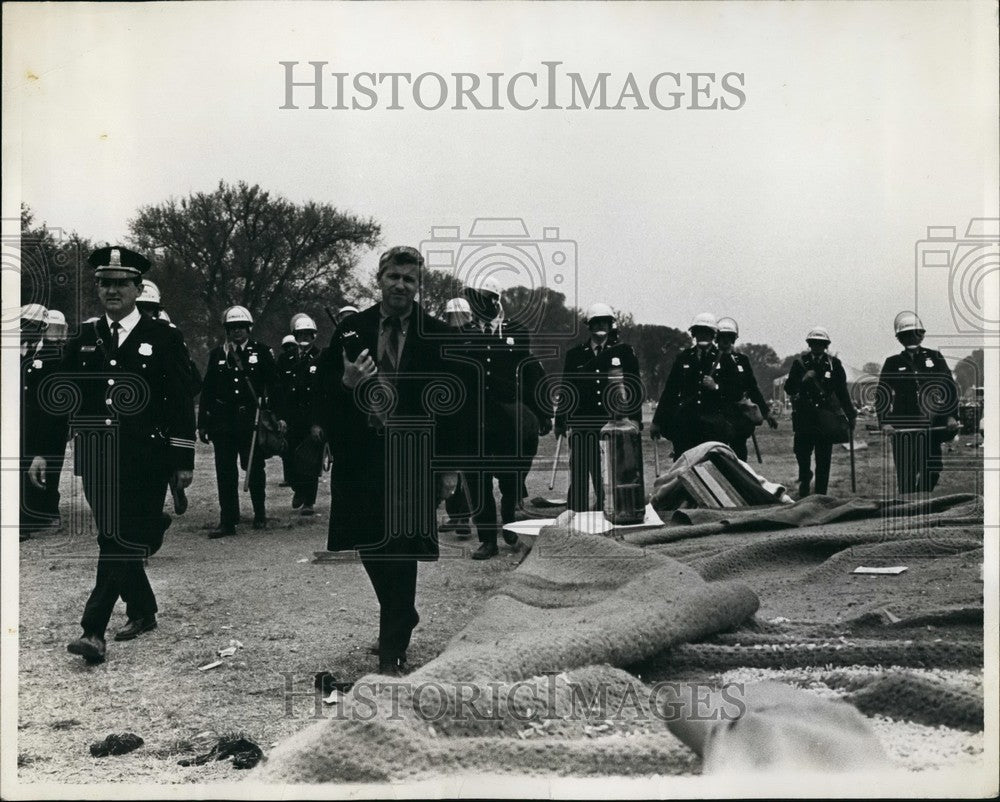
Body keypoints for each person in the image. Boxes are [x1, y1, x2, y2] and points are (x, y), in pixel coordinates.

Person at [28, 246, 195, 663]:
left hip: (146, 458)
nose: (112, 290)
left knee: (118, 539)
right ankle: (143, 608)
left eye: (122, 283)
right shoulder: (85, 338)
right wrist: (41, 453)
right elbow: (58, 395)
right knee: (113, 537)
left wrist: (182, 459)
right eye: (105, 283)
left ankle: (92, 630)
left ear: (138, 288)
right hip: (97, 456)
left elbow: (178, 401)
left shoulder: (163, 337)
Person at [310, 245, 467, 675]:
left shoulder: (438, 334)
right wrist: (345, 381)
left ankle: (392, 651)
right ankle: (402, 613)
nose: (401, 285)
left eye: (410, 279)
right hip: (361, 458)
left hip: (414, 458)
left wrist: (450, 466)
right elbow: (319, 394)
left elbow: (456, 407)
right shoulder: (351, 329)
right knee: (371, 546)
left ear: (419, 286)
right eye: (393, 277)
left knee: (402, 550)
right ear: (379, 279)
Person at [456, 276, 553, 559]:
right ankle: (487, 538)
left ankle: (509, 520)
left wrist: (540, 411)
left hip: (508, 416)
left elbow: (529, 372)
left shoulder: (516, 332)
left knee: (511, 478)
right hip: (476, 417)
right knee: (477, 479)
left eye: (482, 299)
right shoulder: (465, 334)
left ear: (495, 301)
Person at [197, 305, 284, 537]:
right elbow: (208, 389)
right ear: (227, 330)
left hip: (250, 421)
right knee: (225, 471)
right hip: (222, 421)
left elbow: (275, 384)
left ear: (249, 328)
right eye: (232, 328)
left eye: (241, 328)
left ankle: (260, 513)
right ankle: (228, 520)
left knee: (254, 468)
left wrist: (273, 411)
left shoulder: (262, 351)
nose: (237, 332)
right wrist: (202, 423)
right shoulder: (218, 354)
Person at [554, 303, 643, 512]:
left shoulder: (624, 353)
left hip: (611, 421)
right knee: (579, 473)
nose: (600, 326)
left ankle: (608, 512)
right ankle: (576, 515)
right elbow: (567, 388)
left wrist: (636, 418)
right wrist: (560, 421)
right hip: (582, 421)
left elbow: (634, 386)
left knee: (607, 472)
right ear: (589, 326)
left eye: (604, 321)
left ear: (611, 325)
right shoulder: (575, 355)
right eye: (595, 322)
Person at [877, 312, 960, 494]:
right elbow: (882, 393)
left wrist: (951, 416)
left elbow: (949, 388)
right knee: (906, 475)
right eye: (906, 335)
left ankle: (920, 501)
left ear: (921, 335)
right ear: (900, 338)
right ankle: (908, 511)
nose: (911, 338)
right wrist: (885, 421)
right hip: (903, 428)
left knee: (932, 470)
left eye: (915, 333)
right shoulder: (893, 363)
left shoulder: (935, 358)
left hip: (931, 425)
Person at [783, 327, 856, 497]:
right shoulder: (800, 364)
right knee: (801, 452)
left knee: (824, 456)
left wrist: (850, 415)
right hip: (804, 416)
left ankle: (821, 493)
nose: (817, 347)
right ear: (809, 344)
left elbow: (842, 392)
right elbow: (789, 388)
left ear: (826, 346)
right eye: (814, 343)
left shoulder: (834, 364)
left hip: (825, 416)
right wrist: (803, 379)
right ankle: (805, 477)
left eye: (821, 344)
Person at [651, 312, 736, 459]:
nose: (703, 335)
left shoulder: (725, 359)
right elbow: (670, 391)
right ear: (694, 334)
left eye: (707, 332)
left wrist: (715, 387)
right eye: (699, 332)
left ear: (714, 334)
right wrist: (657, 421)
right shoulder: (683, 357)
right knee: (683, 467)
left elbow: (735, 391)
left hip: (714, 426)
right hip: (686, 425)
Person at [20, 304, 68, 539]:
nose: (24, 329)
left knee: (43, 467)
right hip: (22, 422)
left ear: (42, 327)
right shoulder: (19, 351)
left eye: (30, 325)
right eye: (22, 324)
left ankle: (36, 515)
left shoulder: (52, 355)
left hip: (46, 422)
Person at [714, 317, 778, 462]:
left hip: (738, 414)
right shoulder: (710, 358)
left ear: (734, 339)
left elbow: (752, 387)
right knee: (719, 453)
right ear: (716, 339)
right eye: (722, 337)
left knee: (740, 454)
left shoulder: (742, 359)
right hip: (718, 412)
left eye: (729, 337)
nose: (726, 341)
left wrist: (766, 413)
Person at [439, 298, 474, 536]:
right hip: (445, 409)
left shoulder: (475, 341)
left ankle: (466, 517)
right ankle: (454, 515)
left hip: (469, 410)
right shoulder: (441, 341)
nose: (457, 322)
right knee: (447, 465)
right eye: (453, 317)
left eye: (460, 317)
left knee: (467, 469)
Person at [284, 315, 323, 516]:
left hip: (312, 416)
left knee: (310, 460)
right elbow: (279, 388)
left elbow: (322, 392)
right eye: (300, 334)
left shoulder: (321, 357)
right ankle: (298, 488)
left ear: (314, 335)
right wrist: (280, 416)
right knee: (290, 456)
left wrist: (318, 422)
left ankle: (308, 500)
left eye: (308, 333)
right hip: (292, 417)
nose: (304, 337)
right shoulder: (287, 357)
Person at [276, 333, 300, 487]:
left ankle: (300, 477)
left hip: (300, 408)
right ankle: (289, 476)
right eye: (287, 347)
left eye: (292, 346)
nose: (290, 349)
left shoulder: (303, 360)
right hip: (286, 408)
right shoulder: (282, 361)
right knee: (286, 445)